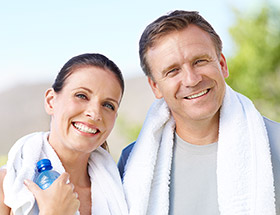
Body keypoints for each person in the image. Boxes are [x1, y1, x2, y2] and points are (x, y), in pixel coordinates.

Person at [118, 10, 280, 214]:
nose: (192, 80)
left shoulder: (275, 142)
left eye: (200, 61)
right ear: (155, 87)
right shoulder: (131, 163)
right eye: (173, 71)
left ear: (222, 65)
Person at [0, 53, 128, 215]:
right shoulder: (7, 186)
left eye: (108, 105)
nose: (95, 113)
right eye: (81, 95)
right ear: (51, 101)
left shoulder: (121, 193)